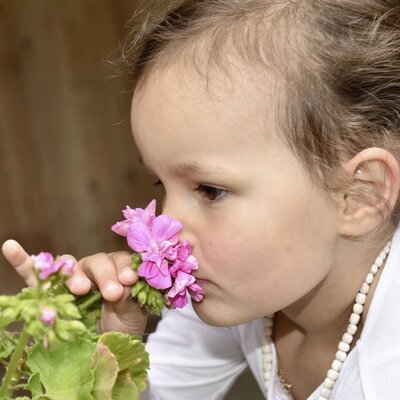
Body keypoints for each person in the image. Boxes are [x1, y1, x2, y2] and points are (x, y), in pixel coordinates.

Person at [2, 1, 400, 399]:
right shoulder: (250, 291)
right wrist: (112, 349)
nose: (169, 230)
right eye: (160, 184)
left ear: (359, 195)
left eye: (210, 190)